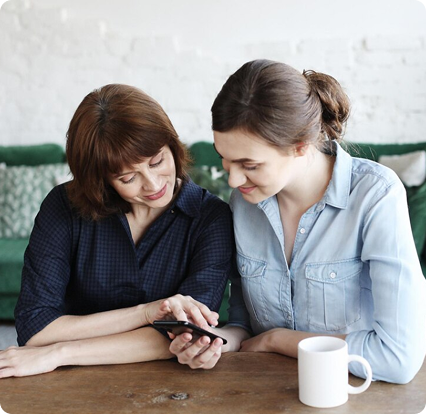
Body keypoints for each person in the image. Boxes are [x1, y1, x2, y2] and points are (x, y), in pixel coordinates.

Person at [169, 59, 426, 384]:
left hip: (353, 393)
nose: (233, 180)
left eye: (250, 164)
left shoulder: (375, 195)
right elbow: (244, 325)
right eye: (225, 160)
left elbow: (398, 358)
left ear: (301, 146)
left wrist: (277, 340)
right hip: (262, 391)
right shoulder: (245, 203)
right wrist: (214, 342)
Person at [0, 84, 235, 378]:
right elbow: (35, 328)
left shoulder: (210, 217)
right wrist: (145, 313)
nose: (153, 184)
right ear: (101, 180)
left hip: (167, 380)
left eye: (157, 161)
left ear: (172, 146)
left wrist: (59, 352)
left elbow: (187, 334)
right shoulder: (63, 206)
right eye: (128, 178)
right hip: (69, 380)